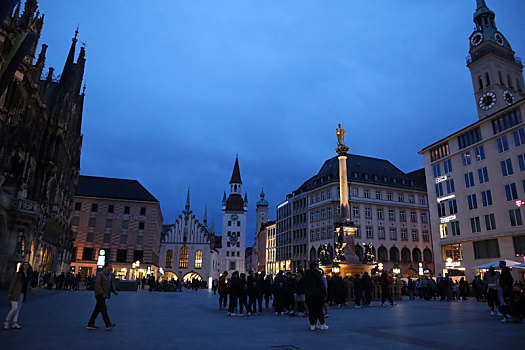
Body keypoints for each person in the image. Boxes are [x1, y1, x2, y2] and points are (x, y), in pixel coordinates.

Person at [86, 263, 118, 330]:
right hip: (100, 295)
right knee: (103, 309)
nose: (111, 267)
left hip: (104, 295)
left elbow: (110, 284)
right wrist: (102, 293)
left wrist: (114, 291)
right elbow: (97, 285)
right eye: (110, 266)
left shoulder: (109, 275)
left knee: (97, 310)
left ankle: (90, 323)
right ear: (106, 267)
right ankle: (108, 324)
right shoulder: (101, 274)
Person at [4, 262, 35, 329]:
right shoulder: (18, 274)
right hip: (15, 292)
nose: (26, 266)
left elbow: (28, 285)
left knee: (18, 308)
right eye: (24, 265)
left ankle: (15, 323)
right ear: (22, 266)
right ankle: (6, 321)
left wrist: (32, 291)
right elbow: (13, 283)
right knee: (14, 308)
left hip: (22, 293)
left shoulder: (28, 275)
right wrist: (10, 292)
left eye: (27, 265)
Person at [304, 262, 328, 331]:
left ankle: (312, 324)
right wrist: (325, 294)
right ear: (315, 266)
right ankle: (322, 324)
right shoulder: (318, 274)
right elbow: (321, 285)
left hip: (309, 294)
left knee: (311, 310)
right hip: (317, 294)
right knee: (319, 310)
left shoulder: (306, 274)